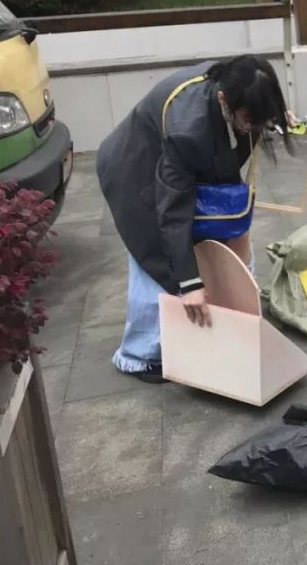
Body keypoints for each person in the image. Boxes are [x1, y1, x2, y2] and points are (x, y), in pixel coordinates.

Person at [97, 55, 292, 382]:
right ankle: (139, 354)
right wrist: (189, 284)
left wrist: (272, 116)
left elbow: (251, 113)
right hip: (135, 170)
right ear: (223, 100)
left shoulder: (240, 80)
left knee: (216, 237)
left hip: (175, 163)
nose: (254, 127)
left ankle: (227, 321)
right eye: (250, 119)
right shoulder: (189, 128)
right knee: (154, 254)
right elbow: (173, 214)